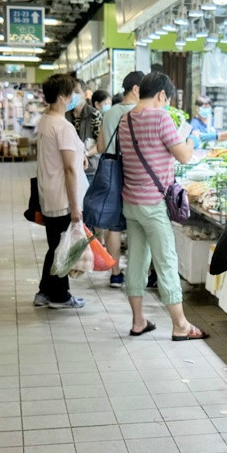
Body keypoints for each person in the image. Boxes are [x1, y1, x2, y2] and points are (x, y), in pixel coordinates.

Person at [117, 71, 207, 341]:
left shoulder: (126, 119)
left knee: (136, 261)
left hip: (131, 202)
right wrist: (192, 140)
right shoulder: (160, 117)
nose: (166, 104)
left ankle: (138, 321)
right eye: (167, 99)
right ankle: (180, 325)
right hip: (154, 204)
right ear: (161, 95)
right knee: (166, 260)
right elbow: (184, 156)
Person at [34, 73, 89, 309]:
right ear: (63, 96)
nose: (75, 97)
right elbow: (68, 168)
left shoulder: (46, 120)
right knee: (62, 248)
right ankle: (59, 296)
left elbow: (62, 158)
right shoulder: (63, 126)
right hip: (63, 197)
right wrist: (75, 206)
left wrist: (80, 157)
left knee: (55, 245)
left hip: (49, 192)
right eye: (72, 93)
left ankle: (45, 292)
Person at [97, 70, 145, 289]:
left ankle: (115, 273)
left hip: (110, 170)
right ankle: (139, 273)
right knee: (136, 224)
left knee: (114, 225)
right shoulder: (139, 112)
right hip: (132, 170)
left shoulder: (109, 112)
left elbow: (100, 146)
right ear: (136, 89)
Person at [66, 79, 102, 180]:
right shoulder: (65, 114)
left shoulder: (94, 114)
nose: (73, 95)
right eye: (70, 92)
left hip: (89, 168)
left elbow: (100, 144)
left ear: (85, 94)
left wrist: (84, 154)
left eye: (77, 92)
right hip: (69, 166)